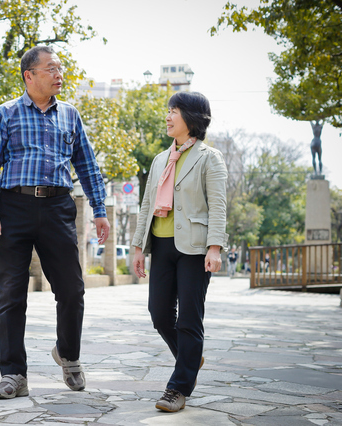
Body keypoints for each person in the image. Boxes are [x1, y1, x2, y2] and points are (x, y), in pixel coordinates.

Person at [0, 45, 110, 399]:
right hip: (12, 208)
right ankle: (13, 375)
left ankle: (69, 356)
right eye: (51, 68)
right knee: (11, 295)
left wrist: (99, 209)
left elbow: (87, 166)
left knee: (71, 289)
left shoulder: (70, 114)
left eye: (60, 68)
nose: (58, 74)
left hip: (57, 209)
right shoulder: (5, 114)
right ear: (29, 75)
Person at [132, 91, 228, 413]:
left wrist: (214, 248)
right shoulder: (160, 159)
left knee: (189, 317)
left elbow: (218, 205)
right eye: (168, 110)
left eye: (175, 110)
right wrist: (137, 248)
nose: (168, 116)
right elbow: (147, 205)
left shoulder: (209, 157)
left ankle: (178, 387)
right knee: (159, 314)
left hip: (194, 249)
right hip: (161, 244)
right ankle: (190, 357)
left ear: (192, 118)